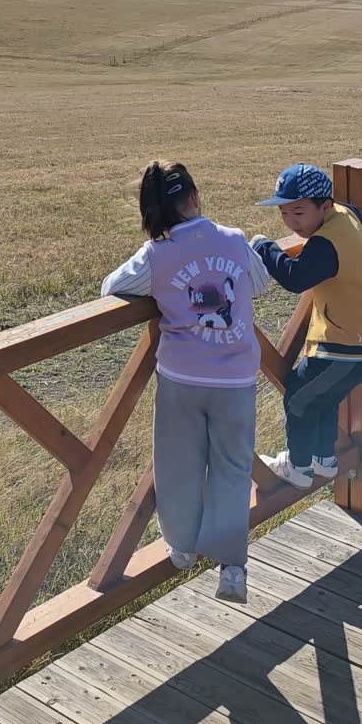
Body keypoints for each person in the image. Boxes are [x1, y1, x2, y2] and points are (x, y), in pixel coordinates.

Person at [101, 159, 270, 604]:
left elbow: (111, 286)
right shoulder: (234, 239)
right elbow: (259, 283)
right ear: (195, 197)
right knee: (233, 468)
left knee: (177, 463)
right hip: (236, 379)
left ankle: (181, 548)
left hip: (182, 378)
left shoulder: (155, 255)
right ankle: (232, 567)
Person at [252, 163, 362, 489]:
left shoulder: (326, 243)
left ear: (325, 206)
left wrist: (264, 247)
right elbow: (355, 210)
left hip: (357, 345)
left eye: (298, 212)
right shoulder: (345, 215)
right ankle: (325, 459)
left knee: (298, 396)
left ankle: (298, 467)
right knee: (326, 394)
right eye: (284, 213)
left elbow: (295, 278)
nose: (291, 222)